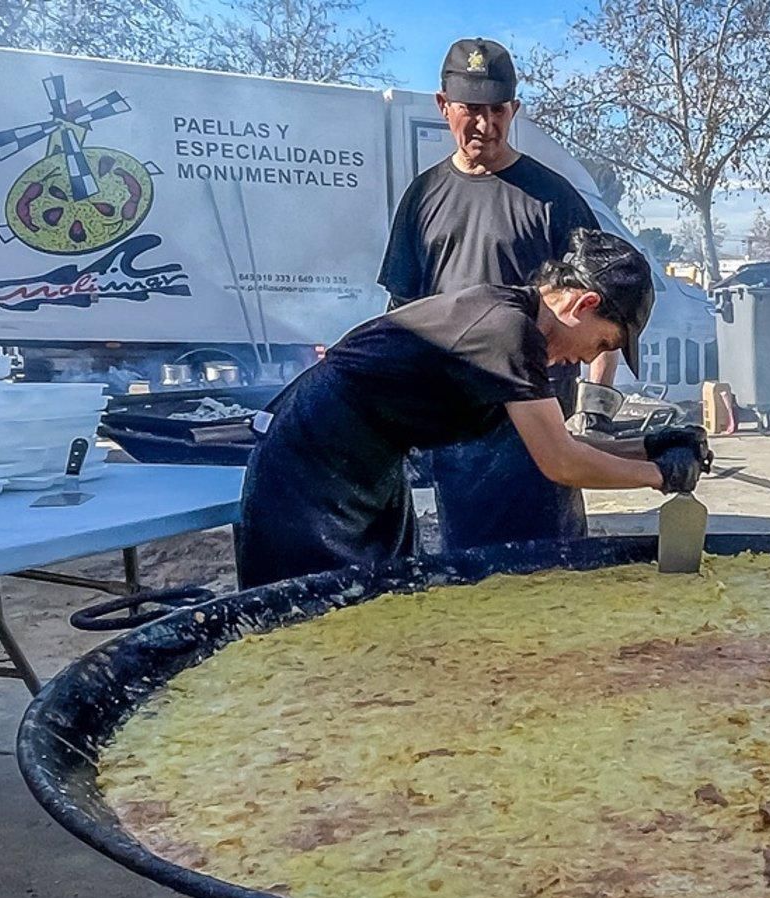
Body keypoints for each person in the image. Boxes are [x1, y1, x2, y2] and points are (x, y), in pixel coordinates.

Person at [237, 229, 709, 589]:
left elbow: (557, 444)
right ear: (584, 304)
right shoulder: (507, 331)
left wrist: (652, 445)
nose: (589, 358)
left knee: (388, 602)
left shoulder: (514, 327)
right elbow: (560, 462)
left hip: (364, 465)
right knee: (313, 623)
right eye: (603, 342)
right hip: (310, 470)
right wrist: (659, 475)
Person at [378, 38, 607, 553]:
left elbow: (603, 309)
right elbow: (402, 314)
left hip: (539, 421)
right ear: (444, 107)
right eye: (471, 110)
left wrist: (596, 407)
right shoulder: (422, 197)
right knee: (471, 578)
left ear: (514, 109)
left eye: (497, 110)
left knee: (557, 572)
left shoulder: (554, 197)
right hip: (457, 433)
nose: (485, 124)